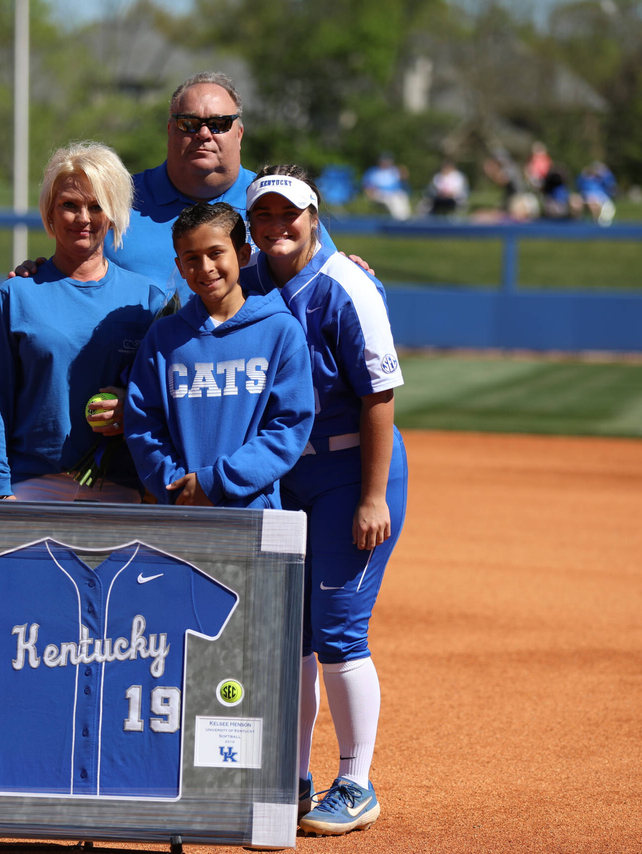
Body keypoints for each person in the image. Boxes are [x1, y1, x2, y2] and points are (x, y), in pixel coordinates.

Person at [242, 166, 409, 836]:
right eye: (266, 217)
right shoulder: (248, 282)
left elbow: (379, 399)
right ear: (251, 226)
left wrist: (371, 497)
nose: (279, 228)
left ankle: (356, 781)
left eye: (291, 215)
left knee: (339, 629)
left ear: (314, 218)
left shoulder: (346, 285)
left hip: (349, 473)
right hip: (285, 477)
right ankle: (292, 775)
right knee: (293, 635)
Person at [13, 72, 342, 297]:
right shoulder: (115, 199)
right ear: (170, 130)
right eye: (188, 123)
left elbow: (332, 285)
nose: (203, 134)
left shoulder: (275, 203)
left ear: (239, 133)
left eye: (219, 124)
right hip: (137, 389)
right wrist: (40, 274)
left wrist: (351, 269)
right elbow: (74, 269)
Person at [0, 141, 167, 503]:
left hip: (122, 487)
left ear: (113, 213)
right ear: (50, 211)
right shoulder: (18, 295)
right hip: (34, 485)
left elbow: (165, 399)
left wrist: (132, 404)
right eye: (69, 205)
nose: (83, 218)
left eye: (96, 206)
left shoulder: (147, 299)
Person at [124, 202, 313, 509]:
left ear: (242, 254)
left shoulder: (281, 331)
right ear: (180, 267)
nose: (206, 267)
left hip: (253, 513)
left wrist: (215, 482)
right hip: (181, 509)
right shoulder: (163, 337)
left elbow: (289, 426)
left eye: (215, 253)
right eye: (192, 259)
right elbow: (144, 423)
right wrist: (177, 486)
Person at [361, 153, 411, 221]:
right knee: (393, 199)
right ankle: (399, 221)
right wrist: (370, 193)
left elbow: (404, 178)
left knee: (402, 196)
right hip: (379, 194)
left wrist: (403, 170)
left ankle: (406, 219)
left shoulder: (394, 170)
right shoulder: (373, 171)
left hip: (394, 193)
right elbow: (367, 185)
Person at [578, 161, 617, 226]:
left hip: (599, 198)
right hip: (585, 197)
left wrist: (603, 174)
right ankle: (577, 223)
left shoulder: (604, 177)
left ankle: (595, 224)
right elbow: (579, 185)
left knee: (592, 202)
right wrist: (584, 174)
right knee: (575, 202)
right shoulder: (585, 178)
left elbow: (611, 186)